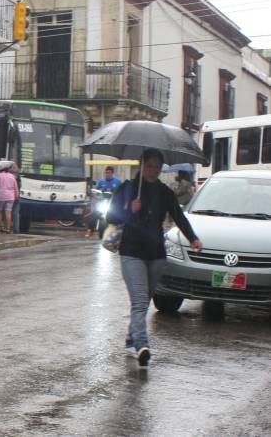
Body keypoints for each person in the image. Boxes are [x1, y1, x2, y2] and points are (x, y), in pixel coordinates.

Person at [106, 148, 203, 369]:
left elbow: (179, 217)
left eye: (157, 167)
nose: (152, 170)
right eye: (149, 165)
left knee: (144, 300)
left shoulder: (165, 192)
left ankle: (132, 336)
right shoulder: (127, 188)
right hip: (131, 253)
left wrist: (193, 239)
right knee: (140, 301)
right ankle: (142, 345)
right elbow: (110, 217)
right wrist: (128, 208)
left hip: (157, 255)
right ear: (142, 165)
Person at [85, 166, 123, 237]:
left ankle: (119, 231)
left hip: (113, 203)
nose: (107, 174)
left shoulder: (118, 182)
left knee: (119, 214)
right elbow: (96, 190)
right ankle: (90, 230)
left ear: (112, 173)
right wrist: (94, 193)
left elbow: (122, 191)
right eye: (106, 173)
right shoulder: (101, 182)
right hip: (102, 202)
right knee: (94, 213)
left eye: (109, 173)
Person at [0, 164, 19, 233]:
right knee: (8, 212)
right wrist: (16, 196)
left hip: (1, 196)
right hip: (10, 197)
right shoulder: (12, 176)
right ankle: (8, 229)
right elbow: (15, 187)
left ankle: (0, 227)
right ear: (8, 169)